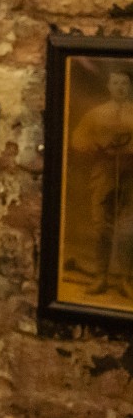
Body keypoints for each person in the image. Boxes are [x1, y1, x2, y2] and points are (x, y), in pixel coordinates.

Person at [70, 70, 133, 299]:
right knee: (101, 228)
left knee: (128, 230)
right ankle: (101, 277)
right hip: (104, 173)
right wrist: (96, 144)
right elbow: (77, 140)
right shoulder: (96, 114)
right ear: (108, 86)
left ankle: (125, 279)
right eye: (115, 83)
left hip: (131, 174)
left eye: (124, 83)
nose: (120, 87)